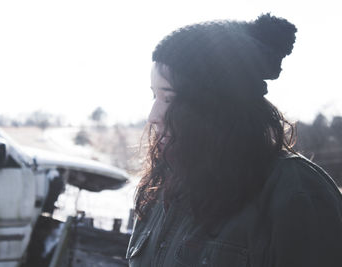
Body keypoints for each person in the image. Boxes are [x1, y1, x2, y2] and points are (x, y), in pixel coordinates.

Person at [126, 14, 342, 267]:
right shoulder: (164, 187)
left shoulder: (295, 193)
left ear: (215, 105)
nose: (153, 116)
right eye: (154, 96)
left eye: (169, 98)